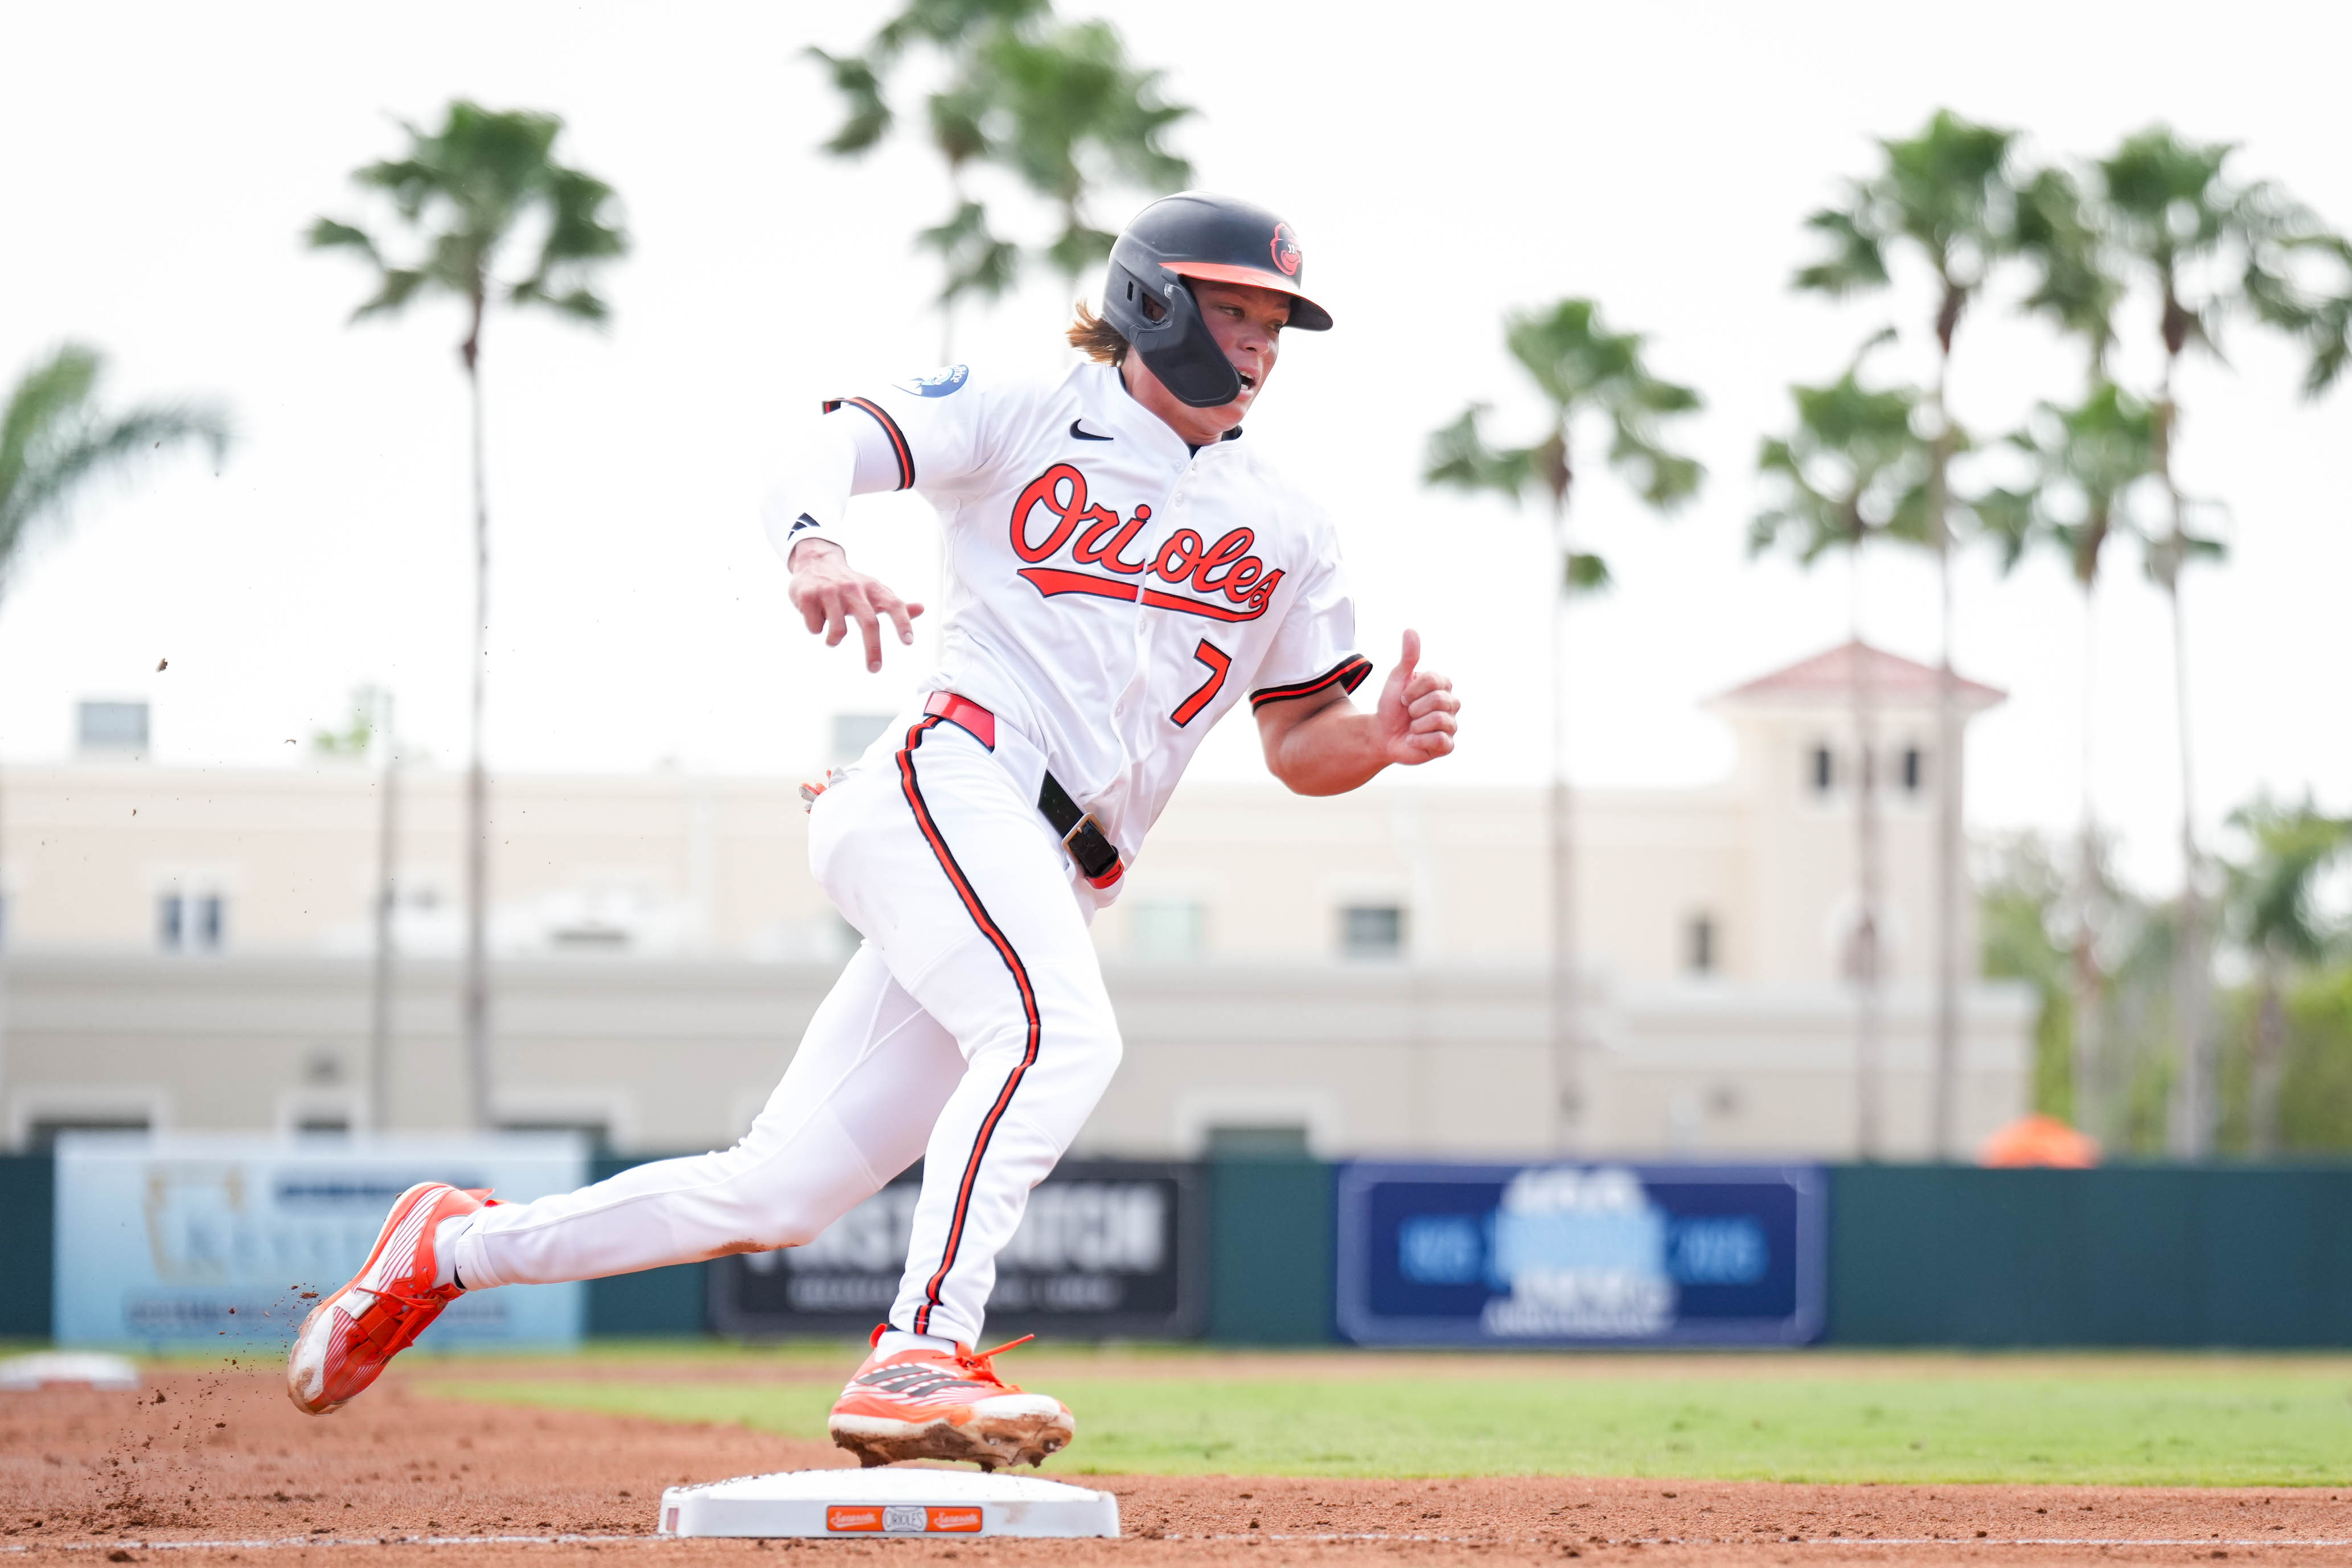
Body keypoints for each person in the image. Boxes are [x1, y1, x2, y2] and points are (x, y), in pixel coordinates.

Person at [284, 191, 1461, 1470]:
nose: (1255, 348)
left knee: (774, 1191)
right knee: (1055, 1031)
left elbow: (1300, 742)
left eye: (1274, 326)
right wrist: (809, 547)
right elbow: (825, 442)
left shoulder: (1284, 519)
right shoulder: (1028, 405)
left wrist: (1379, 740)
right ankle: (921, 1347)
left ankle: (445, 1248)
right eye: (1231, 312)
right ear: (1152, 304)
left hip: (1048, 873)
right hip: (953, 786)